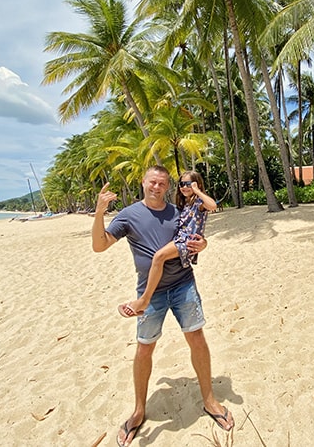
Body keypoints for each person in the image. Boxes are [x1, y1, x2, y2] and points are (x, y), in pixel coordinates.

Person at [92, 166, 234, 446]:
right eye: (152, 182)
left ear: (168, 186)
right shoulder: (130, 214)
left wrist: (203, 245)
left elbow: (194, 234)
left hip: (183, 285)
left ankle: (209, 400)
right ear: (143, 183)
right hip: (150, 292)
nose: (156, 187)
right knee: (145, 348)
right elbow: (100, 245)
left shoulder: (176, 212)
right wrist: (99, 212)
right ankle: (138, 411)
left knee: (197, 339)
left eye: (162, 183)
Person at [117, 170, 217, 318]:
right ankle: (149, 299)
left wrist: (197, 191)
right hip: (181, 239)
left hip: (186, 241)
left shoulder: (198, 202)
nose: (184, 187)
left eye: (188, 184)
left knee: (158, 257)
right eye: (181, 184)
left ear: (197, 184)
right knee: (160, 259)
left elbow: (213, 205)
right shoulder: (185, 204)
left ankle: (144, 301)